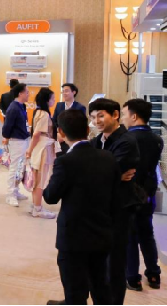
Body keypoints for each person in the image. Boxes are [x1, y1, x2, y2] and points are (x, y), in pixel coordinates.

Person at [44, 109, 118, 306]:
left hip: (73, 237)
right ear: (87, 130)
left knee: (75, 291)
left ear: (61, 132)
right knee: (100, 285)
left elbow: (50, 196)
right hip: (102, 232)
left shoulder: (64, 161)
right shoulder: (108, 157)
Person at [89, 98, 142, 306]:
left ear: (116, 115)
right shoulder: (97, 141)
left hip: (119, 209)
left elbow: (105, 172)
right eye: (93, 117)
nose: (97, 121)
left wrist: (107, 174)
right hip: (100, 209)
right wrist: (112, 175)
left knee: (115, 264)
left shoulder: (126, 141)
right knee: (97, 262)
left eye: (101, 115)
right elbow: (93, 171)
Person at [122, 99, 163, 291]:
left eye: (124, 114)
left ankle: (132, 277)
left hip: (130, 193)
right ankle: (154, 274)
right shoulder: (157, 139)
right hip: (148, 192)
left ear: (134, 116)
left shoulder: (127, 139)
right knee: (147, 233)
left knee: (130, 235)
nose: (123, 118)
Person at [25, 88, 57, 220]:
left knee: (37, 178)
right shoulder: (44, 114)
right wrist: (29, 150)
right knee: (41, 180)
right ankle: (37, 208)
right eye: (52, 98)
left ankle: (35, 206)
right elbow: (37, 134)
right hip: (43, 148)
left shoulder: (38, 112)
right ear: (47, 100)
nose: (54, 101)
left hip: (40, 147)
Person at [2, 83, 30, 208]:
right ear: (20, 93)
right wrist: (6, 139)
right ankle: (10, 195)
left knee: (20, 168)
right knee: (14, 168)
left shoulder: (22, 106)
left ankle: (16, 190)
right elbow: (7, 126)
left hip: (23, 140)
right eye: (27, 92)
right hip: (16, 141)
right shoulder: (13, 108)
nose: (29, 94)